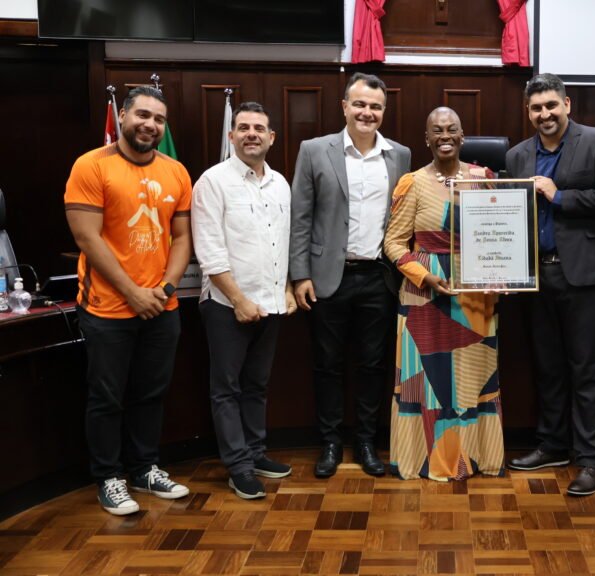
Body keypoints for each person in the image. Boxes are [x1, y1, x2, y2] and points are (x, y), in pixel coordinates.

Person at [65, 86, 192, 515]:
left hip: (162, 308)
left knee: (150, 394)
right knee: (107, 397)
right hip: (106, 309)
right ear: (122, 116)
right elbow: (87, 237)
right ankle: (109, 476)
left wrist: (167, 288)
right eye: (142, 114)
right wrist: (133, 293)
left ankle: (144, 468)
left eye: (158, 119)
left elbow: (182, 237)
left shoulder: (176, 171)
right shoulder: (91, 165)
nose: (150, 124)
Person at [505, 73, 595, 496]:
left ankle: (592, 459)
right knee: (549, 367)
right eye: (537, 108)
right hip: (537, 275)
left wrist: (560, 197)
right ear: (529, 112)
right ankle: (553, 445)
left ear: (567, 104)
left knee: (588, 370)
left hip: (586, 276)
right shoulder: (518, 155)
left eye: (551, 106)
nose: (545, 114)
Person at [290, 73, 412, 478]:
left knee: (373, 365)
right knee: (327, 364)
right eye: (360, 104)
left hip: (380, 277)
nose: (367, 112)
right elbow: (300, 217)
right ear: (344, 106)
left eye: (375, 106)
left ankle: (364, 441)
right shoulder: (314, 150)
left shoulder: (400, 156)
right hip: (327, 277)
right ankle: (329, 442)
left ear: (383, 111)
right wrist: (299, 274)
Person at [382, 107, 503, 480]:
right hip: (424, 295)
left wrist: (505, 275)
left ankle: (476, 456)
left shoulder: (484, 178)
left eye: (452, 129)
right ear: (428, 139)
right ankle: (426, 458)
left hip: (473, 293)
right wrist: (423, 275)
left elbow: (498, 235)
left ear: (463, 136)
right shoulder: (412, 182)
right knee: (428, 380)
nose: (445, 136)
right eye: (437, 131)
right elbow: (393, 242)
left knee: (472, 376)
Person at [192, 102, 297, 500]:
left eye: (260, 127)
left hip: (270, 303)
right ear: (232, 136)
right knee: (227, 389)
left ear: (271, 138)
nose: (252, 133)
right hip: (226, 305)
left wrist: (285, 288)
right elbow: (210, 252)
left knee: (257, 385)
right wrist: (237, 299)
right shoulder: (212, 182)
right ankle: (238, 466)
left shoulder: (280, 183)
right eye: (244, 127)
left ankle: (255, 453)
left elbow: (282, 243)